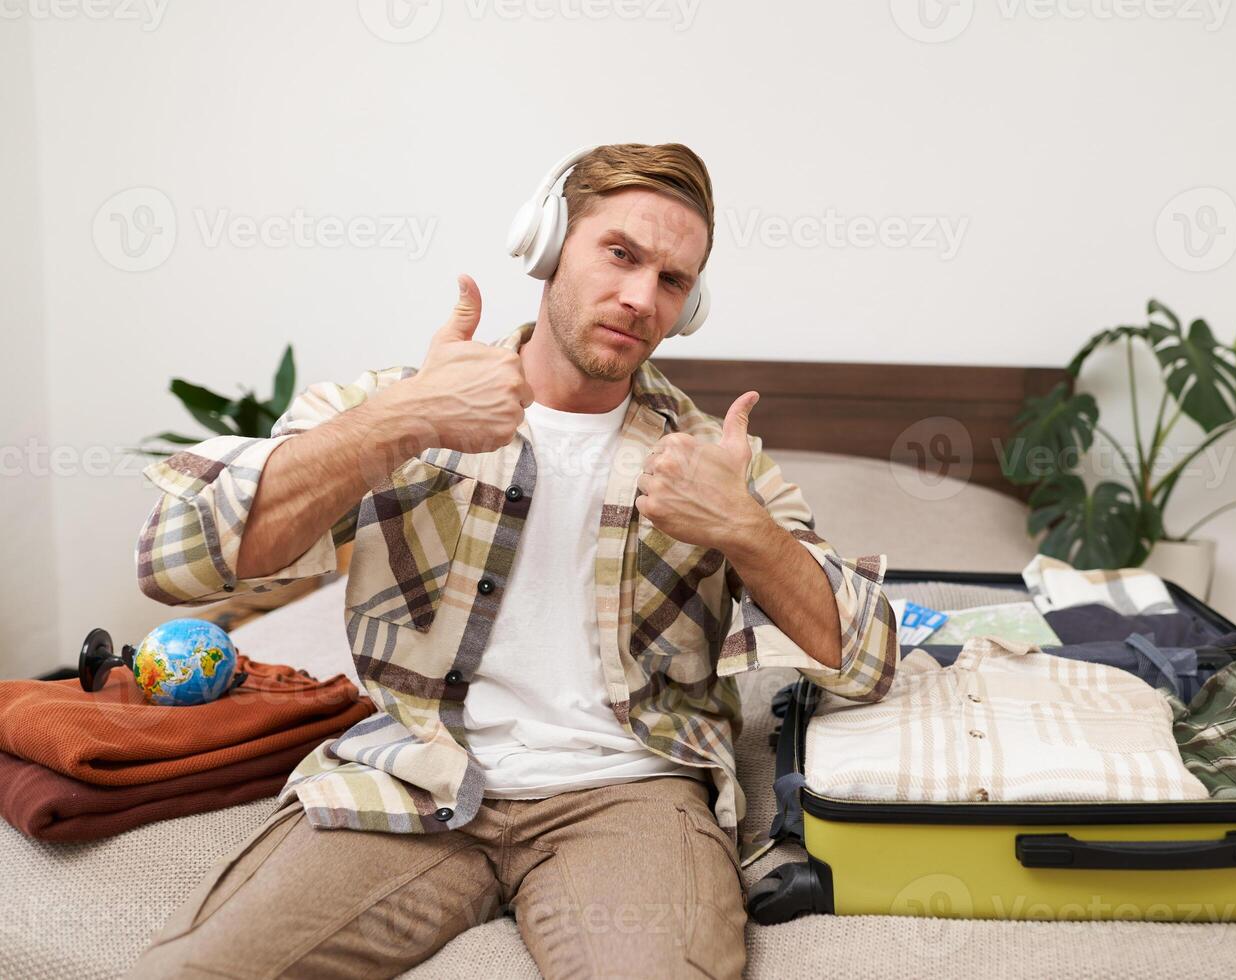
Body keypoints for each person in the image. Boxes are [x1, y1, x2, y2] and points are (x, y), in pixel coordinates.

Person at [127, 142, 898, 979]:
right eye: (620, 254)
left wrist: (743, 527)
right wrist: (404, 420)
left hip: (628, 793)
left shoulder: (715, 461)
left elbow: (866, 661)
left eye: (672, 281)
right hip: (419, 770)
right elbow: (176, 561)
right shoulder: (409, 403)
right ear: (547, 243)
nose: (641, 297)